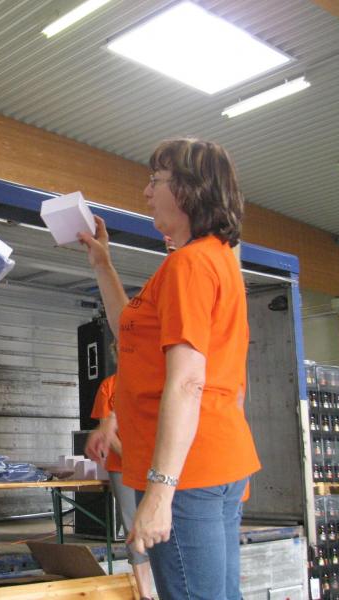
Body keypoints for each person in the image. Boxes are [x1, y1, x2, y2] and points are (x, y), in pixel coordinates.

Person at [78, 138, 261, 600]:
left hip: (186, 472)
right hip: (215, 459)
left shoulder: (189, 265)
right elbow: (129, 329)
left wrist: (160, 492)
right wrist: (103, 263)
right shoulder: (213, 259)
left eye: (155, 181)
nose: (146, 192)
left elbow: (187, 380)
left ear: (188, 190)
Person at [86, 369, 154, 600]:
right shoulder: (108, 386)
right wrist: (134, 460)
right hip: (122, 468)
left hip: (159, 466)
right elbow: (107, 431)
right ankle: (146, 595)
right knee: (133, 527)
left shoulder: (152, 376)